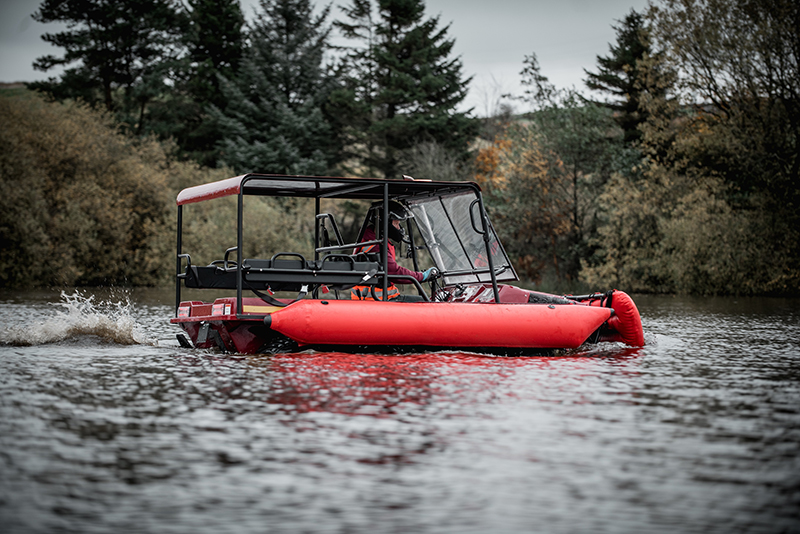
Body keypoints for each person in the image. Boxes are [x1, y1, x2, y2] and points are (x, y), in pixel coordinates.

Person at [351, 200, 437, 300]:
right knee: (425, 303)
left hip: (374, 298)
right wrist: (422, 276)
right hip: (380, 299)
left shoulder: (368, 240)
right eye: (396, 223)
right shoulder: (376, 246)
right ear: (385, 223)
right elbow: (395, 272)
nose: (398, 228)